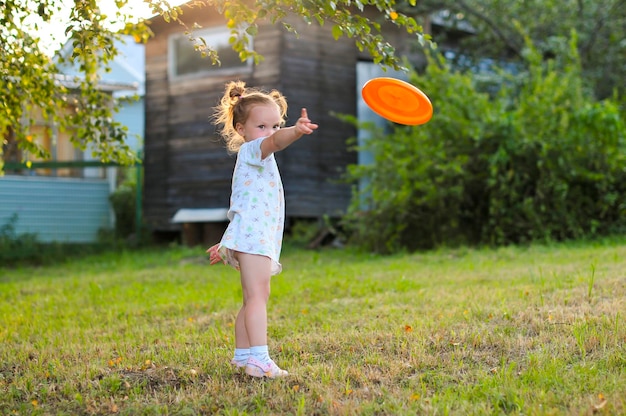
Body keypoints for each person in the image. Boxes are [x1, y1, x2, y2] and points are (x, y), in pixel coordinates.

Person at [206, 81, 318, 378]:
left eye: (274, 125)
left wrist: (227, 240)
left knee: (252, 297)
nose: (269, 132)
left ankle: (243, 357)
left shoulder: (255, 157)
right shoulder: (254, 150)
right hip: (254, 237)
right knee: (257, 297)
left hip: (252, 235)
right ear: (241, 129)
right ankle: (259, 358)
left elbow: (244, 203)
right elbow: (276, 143)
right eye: (261, 126)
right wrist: (293, 130)